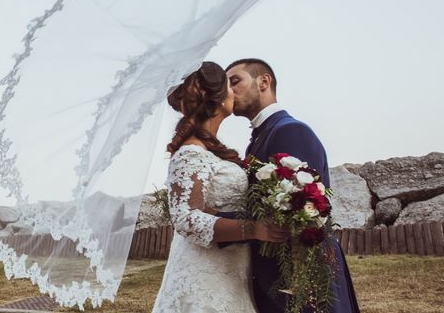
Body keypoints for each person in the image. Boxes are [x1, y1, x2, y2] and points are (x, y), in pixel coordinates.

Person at [152, 61, 289, 313]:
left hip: (232, 272)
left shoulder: (212, 151)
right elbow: (186, 219)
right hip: (204, 276)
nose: (234, 92)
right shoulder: (191, 153)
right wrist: (255, 228)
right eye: (230, 85)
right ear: (216, 97)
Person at [226, 58, 360, 313]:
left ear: (264, 81)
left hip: (304, 279)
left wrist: (214, 224)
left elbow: (298, 210)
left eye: (235, 81)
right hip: (279, 277)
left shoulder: (290, 131)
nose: (230, 91)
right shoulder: (260, 136)